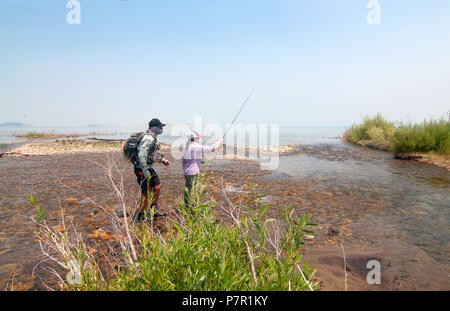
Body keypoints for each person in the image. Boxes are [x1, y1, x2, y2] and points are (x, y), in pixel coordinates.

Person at [134, 118, 171, 222]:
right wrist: (145, 172)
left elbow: (151, 155)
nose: (162, 129)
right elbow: (141, 155)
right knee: (146, 192)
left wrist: (163, 160)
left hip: (148, 167)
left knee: (157, 187)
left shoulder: (153, 138)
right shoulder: (148, 138)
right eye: (160, 127)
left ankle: (154, 210)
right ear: (154, 128)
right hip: (142, 168)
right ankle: (141, 215)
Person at [182, 131, 222, 210]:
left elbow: (183, 161)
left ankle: (187, 207)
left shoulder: (187, 147)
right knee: (194, 191)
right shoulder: (196, 146)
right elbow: (211, 149)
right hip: (193, 173)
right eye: (197, 138)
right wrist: (219, 142)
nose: (198, 139)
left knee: (187, 191)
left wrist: (185, 170)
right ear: (194, 138)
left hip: (187, 173)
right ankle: (194, 209)